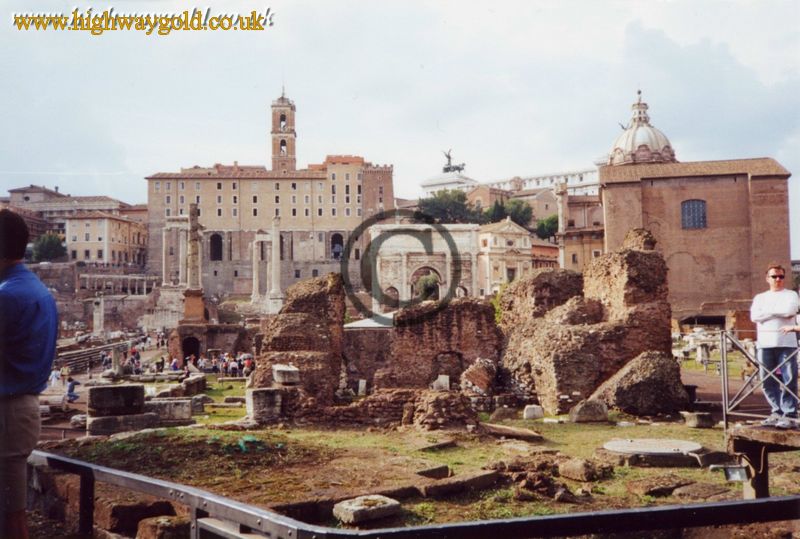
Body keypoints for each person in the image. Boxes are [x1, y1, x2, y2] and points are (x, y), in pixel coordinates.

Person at [0, 209, 59, 538]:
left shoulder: (6, 296)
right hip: (20, 408)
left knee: (11, 520)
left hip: (6, 413)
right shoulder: (36, 290)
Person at [751, 263, 800, 429]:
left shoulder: (791, 294)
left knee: (789, 378)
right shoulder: (760, 297)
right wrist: (777, 312)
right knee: (767, 379)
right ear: (767, 279)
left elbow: (790, 311)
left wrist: (768, 313)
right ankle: (776, 411)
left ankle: (789, 413)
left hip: (786, 342)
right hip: (765, 343)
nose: (778, 279)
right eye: (774, 276)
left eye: (781, 277)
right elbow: (754, 316)